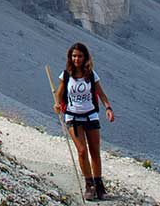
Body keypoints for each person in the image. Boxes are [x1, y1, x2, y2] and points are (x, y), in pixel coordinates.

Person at [53, 41, 115, 201]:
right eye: (74, 56)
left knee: (95, 151)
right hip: (72, 116)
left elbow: (101, 94)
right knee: (81, 151)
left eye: (80, 56)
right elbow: (59, 93)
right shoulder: (65, 74)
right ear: (70, 57)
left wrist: (108, 108)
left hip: (91, 115)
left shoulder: (91, 74)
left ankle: (99, 184)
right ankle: (89, 185)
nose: (77, 59)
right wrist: (57, 104)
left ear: (85, 57)